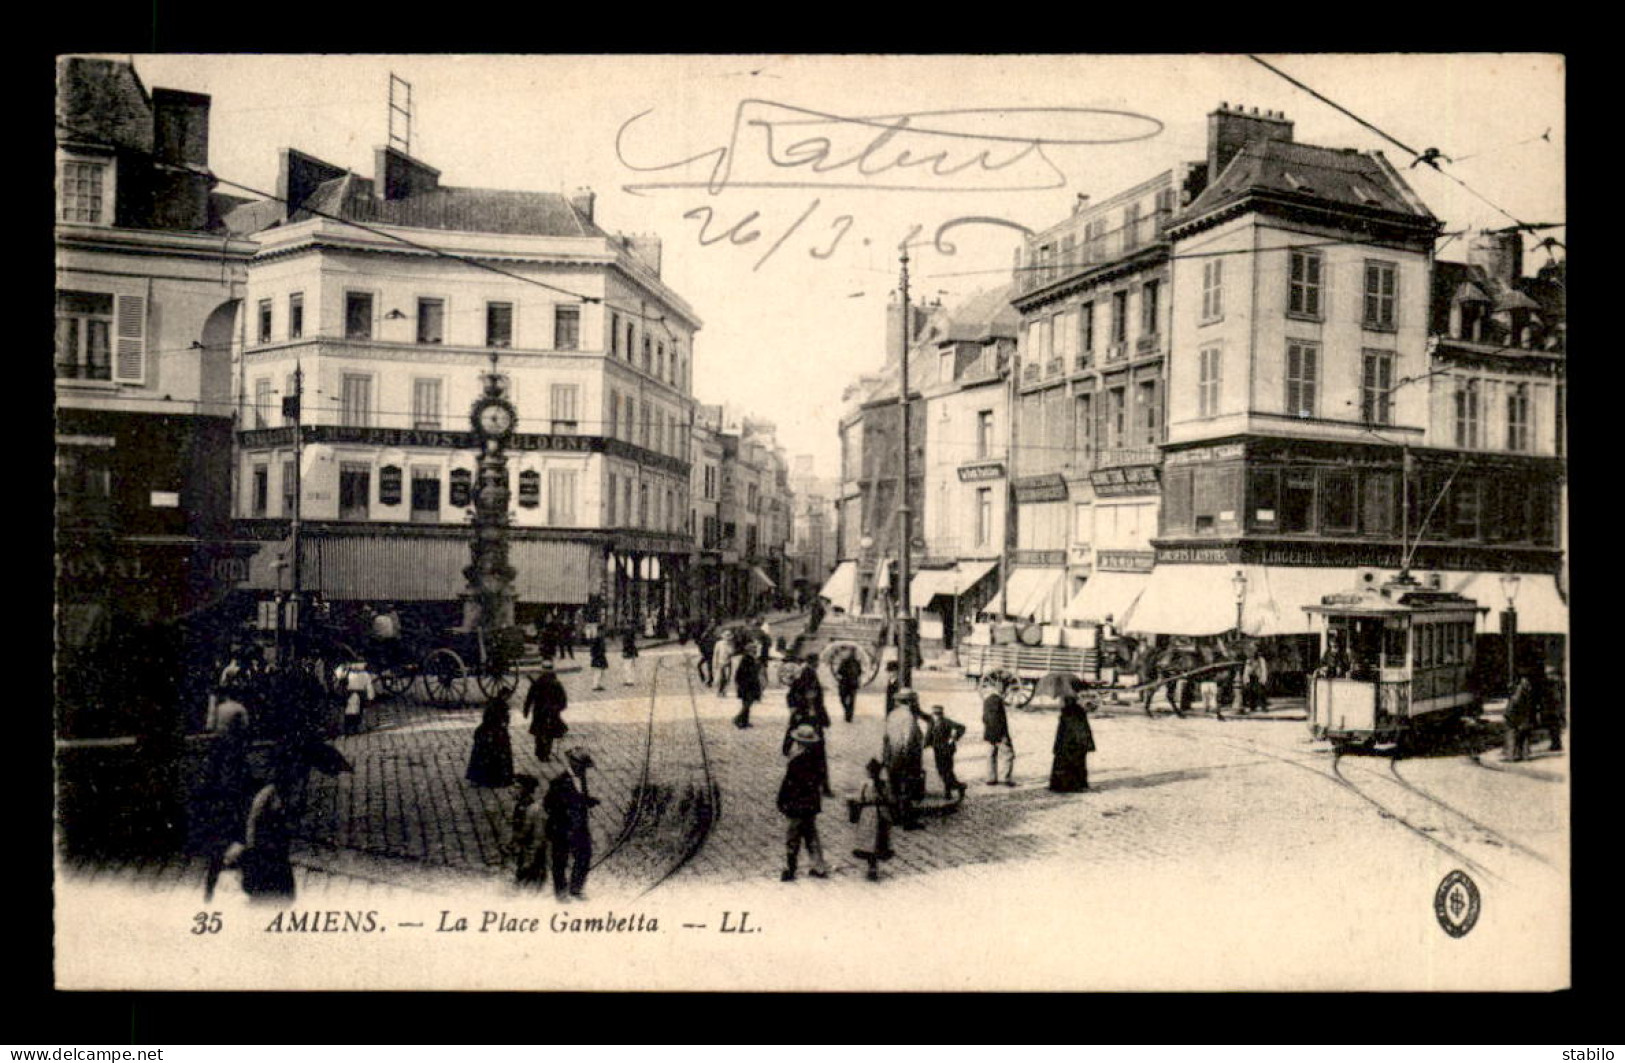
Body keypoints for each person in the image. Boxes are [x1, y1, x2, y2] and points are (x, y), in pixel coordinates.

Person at [200, 684, 255, 902]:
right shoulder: (240, 709)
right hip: (235, 755)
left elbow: (209, 727)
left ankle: (209, 893)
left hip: (219, 753)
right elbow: (246, 731)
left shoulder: (220, 708)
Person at [231, 754, 303, 902]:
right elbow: (252, 820)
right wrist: (251, 845)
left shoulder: (283, 793)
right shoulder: (267, 794)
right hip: (264, 843)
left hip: (275, 843)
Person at [544, 748, 599, 900]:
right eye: (582, 766)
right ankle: (560, 893)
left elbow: (578, 796)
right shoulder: (558, 782)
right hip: (562, 828)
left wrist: (588, 801)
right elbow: (548, 804)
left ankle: (576, 888)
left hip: (579, 826)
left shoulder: (581, 777)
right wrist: (564, 816)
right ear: (573, 763)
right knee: (560, 860)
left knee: (584, 855)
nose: (584, 770)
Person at [777, 725, 830, 881]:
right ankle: (818, 866)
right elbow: (820, 779)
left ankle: (790, 868)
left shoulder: (795, 760)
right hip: (811, 805)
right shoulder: (817, 759)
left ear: (798, 742)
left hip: (796, 805)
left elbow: (788, 784)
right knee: (811, 834)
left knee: (793, 836)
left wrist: (782, 800)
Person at [883, 688, 927, 828]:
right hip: (906, 758)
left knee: (894, 787)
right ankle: (907, 821)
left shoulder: (892, 715)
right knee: (906, 789)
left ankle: (895, 817)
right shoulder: (909, 717)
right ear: (910, 702)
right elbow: (907, 740)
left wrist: (886, 757)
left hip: (893, 755)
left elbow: (886, 737)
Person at [848, 758, 894, 881]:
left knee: (869, 843)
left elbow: (860, 798)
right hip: (882, 815)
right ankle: (874, 866)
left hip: (868, 815)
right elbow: (890, 798)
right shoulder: (884, 784)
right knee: (879, 842)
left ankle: (871, 867)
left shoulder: (866, 784)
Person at [522, 660, 569, 763]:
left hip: (540, 711)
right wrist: (558, 708)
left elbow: (529, 697)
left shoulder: (538, 682)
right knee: (549, 734)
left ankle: (540, 752)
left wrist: (526, 710)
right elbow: (563, 700)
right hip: (550, 712)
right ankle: (545, 753)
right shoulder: (556, 683)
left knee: (540, 733)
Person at [1048, 693, 1097, 792]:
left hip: (1066, 741)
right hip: (1076, 740)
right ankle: (1076, 784)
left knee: (1063, 760)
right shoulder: (1078, 710)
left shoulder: (1066, 712)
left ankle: (1060, 784)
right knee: (1077, 760)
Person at [467, 694, 516, 787]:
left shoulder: (492, 709)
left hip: (488, 734)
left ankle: (481, 778)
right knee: (497, 756)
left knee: (482, 756)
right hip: (495, 735)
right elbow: (505, 721)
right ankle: (497, 777)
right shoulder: (502, 710)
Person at [510, 773, 548, 888]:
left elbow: (526, 829)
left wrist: (515, 841)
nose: (512, 790)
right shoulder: (523, 804)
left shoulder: (524, 807)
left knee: (529, 873)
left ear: (525, 789)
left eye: (517, 787)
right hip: (529, 847)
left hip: (530, 847)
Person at [924, 704, 968, 800]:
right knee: (942, 771)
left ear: (941, 714)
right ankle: (956, 788)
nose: (936, 716)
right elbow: (922, 715)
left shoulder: (946, 722)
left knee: (947, 771)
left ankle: (953, 790)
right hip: (937, 750)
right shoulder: (931, 721)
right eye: (934, 714)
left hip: (947, 751)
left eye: (938, 714)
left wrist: (954, 738)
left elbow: (962, 727)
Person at [1503, 669, 1538, 763]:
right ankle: (1525, 755)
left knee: (1511, 734)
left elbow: (1515, 702)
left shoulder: (1520, 688)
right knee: (1525, 736)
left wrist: (1507, 713)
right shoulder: (1530, 688)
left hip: (1516, 716)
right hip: (1526, 716)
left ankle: (1511, 756)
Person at [983, 689, 1016, 787]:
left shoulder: (987, 700)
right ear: (1002, 692)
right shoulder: (997, 701)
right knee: (1008, 755)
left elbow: (984, 718)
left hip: (989, 734)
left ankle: (991, 778)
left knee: (991, 755)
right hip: (999, 734)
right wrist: (1001, 735)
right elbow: (996, 719)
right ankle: (1005, 778)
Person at [338, 658, 375, 735]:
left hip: (354, 695)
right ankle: (352, 727)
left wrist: (370, 696)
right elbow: (369, 687)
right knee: (352, 711)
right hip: (351, 695)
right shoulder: (363, 674)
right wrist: (371, 697)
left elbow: (369, 686)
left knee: (355, 712)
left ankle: (353, 727)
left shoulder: (362, 674)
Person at [734, 647, 763, 728]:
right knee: (747, 704)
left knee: (747, 704)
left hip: (747, 685)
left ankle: (744, 721)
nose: (755, 652)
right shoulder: (747, 660)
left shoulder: (749, 659)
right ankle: (738, 719)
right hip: (748, 686)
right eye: (754, 651)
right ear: (748, 651)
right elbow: (750, 672)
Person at [1541, 665, 1565, 753]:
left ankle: (1556, 744)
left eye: (1547, 673)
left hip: (1553, 709)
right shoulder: (1555, 682)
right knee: (1553, 728)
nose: (1546, 675)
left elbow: (1556, 697)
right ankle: (1555, 743)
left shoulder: (1554, 683)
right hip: (1553, 708)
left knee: (1554, 727)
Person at [835, 649, 864, 723]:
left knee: (851, 701)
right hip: (845, 683)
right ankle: (847, 711)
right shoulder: (844, 662)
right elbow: (839, 672)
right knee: (843, 699)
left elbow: (859, 673)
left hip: (852, 684)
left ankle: (849, 716)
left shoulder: (857, 663)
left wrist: (858, 682)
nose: (852, 655)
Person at [1242, 646, 1270, 714]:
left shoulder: (1261, 660)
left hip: (1259, 677)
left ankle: (1264, 706)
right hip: (1251, 677)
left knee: (1261, 692)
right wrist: (1245, 678)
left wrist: (1263, 678)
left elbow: (1264, 669)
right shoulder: (1248, 660)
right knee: (1251, 692)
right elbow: (1246, 670)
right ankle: (1252, 706)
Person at [695, 622, 718, 686]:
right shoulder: (706, 636)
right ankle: (706, 678)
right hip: (708, 653)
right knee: (700, 665)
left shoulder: (709, 636)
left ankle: (710, 679)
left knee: (708, 666)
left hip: (709, 653)